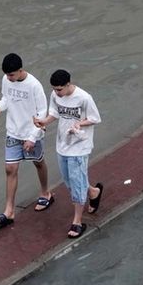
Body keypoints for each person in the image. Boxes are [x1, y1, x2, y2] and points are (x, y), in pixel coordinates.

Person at [0, 52, 53, 226]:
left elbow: (42, 113)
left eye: (11, 75)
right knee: (10, 169)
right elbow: (6, 99)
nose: (8, 78)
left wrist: (32, 137)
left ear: (20, 70)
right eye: (7, 75)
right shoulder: (6, 79)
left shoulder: (34, 85)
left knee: (38, 162)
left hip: (32, 132)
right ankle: (9, 211)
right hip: (13, 131)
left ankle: (46, 193)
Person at [47, 69, 104, 238]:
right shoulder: (55, 95)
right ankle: (94, 192)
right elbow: (54, 113)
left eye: (59, 89)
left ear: (68, 84)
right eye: (54, 89)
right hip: (63, 144)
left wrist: (80, 124)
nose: (57, 93)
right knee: (69, 180)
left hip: (80, 146)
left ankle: (77, 221)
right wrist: (43, 121)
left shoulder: (84, 98)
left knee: (77, 182)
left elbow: (95, 118)